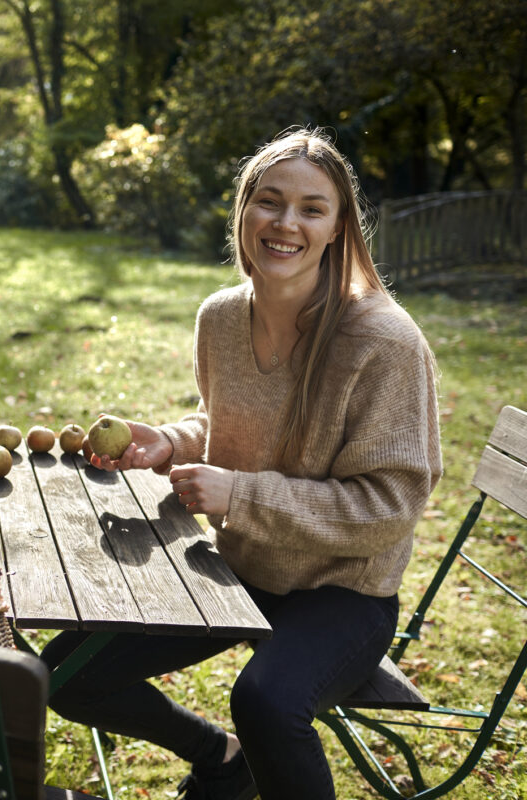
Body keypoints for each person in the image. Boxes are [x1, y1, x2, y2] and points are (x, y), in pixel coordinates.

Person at [42, 127, 442, 800]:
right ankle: (222, 761)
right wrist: (171, 441)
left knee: (266, 701)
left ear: (338, 226)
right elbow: (228, 422)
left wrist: (242, 497)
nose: (286, 223)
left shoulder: (384, 341)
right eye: (270, 201)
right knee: (67, 672)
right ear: (244, 210)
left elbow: (387, 510)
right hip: (246, 569)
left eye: (311, 208)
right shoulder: (222, 317)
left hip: (341, 592)